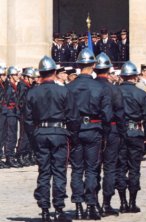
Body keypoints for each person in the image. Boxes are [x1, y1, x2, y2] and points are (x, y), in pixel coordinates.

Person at [24, 55, 80, 222]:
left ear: (40, 73)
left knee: (44, 172)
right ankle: (59, 207)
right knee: (59, 171)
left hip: (40, 133)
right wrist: (73, 135)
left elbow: (27, 119)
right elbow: (73, 116)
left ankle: (45, 208)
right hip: (59, 133)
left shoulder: (32, 92)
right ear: (55, 72)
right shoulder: (63, 91)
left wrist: (33, 138)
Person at [67, 48, 112, 220]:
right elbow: (107, 115)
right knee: (92, 169)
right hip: (94, 129)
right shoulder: (100, 87)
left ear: (78, 65)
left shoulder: (69, 87)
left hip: (76, 130)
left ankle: (78, 206)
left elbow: (66, 112)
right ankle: (91, 206)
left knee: (77, 170)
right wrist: (105, 134)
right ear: (93, 65)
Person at [115, 61, 146, 213]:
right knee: (134, 169)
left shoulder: (113, 92)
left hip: (119, 133)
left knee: (120, 168)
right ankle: (132, 202)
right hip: (136, 133)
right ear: (135, 77)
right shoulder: (142, 94)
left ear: (123, 77)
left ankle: (123, 202)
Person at [94, 52, 125, 217]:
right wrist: (122, 133)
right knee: (110, 167)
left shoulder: (92, 86)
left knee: (93, 168)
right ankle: (106, 203)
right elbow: (120, 114)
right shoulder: (114, 89)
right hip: (112, 130)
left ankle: (94, 203)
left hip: (94, 129)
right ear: (108, 70)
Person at [16, 67, 36, 167]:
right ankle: (20, 155)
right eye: (31, 78)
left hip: (29, 114)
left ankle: (26, 154)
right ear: (26, 77)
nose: (33, 80)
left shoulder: (29, 86)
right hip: (24, 114)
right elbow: (20, 101)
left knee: (29, 136)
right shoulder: (22, 86)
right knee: (24, 136)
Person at [4, 66, 21, 168]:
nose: (17, 76)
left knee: (13, 135)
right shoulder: (9, 87)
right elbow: (5, 101)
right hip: (10, 113)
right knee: (11, 135)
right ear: (10, 76)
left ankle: (10, 156)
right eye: (15, 75)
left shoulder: (14, 86)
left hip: (14, 113)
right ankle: (9, 157)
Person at [0, 66, 8, 168]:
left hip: (3, 112)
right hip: (1, 112)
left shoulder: (4, 85)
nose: (5, 77)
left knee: (3, 136)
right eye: (3, 75)